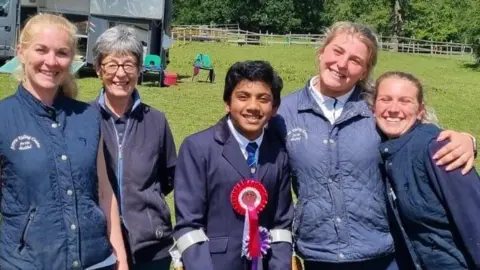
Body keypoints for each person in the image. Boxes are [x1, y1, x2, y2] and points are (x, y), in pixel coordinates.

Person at [270, 21, 477, 270]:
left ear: (365, 71)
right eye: (337, 51)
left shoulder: (376, 108)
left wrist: (467, 140)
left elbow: (419, 135)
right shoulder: (284, 113)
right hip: (318, 253)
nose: (342, 64)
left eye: (356, 60)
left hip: (384, 252)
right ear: (321, 51)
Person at [0, 13, 127, 269]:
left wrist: (121, 261)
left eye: (61, 52)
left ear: (71, 60)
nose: (51, 61)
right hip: (27, 263)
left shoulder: (88, 117)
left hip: (96, 261)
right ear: (21, 52)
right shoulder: (4, 118)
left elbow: (105, 193)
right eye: (41, 50)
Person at [172, 60, 294, 270]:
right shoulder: (198, 148)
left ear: (274, 108)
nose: (253, 106)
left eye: (263, 99)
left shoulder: (279, 153)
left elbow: (281, 225)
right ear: (227, 102)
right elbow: (189, 225)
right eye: (243, 97)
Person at [374, 71, 480, 270]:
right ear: (374, 106)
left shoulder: (439, 149)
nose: (393, 109)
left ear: (420, 110)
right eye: (385, 99)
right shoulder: (387, 150)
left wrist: (468, 141)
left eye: (405, 101)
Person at [91, 25, 177, 270]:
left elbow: (169, 177)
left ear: (139, 69)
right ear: (99, 68)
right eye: (112, 64)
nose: (121, 73)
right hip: (98, 243)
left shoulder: (156, 120)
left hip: (151, 244)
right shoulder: (83, 119)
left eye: (129, 64)